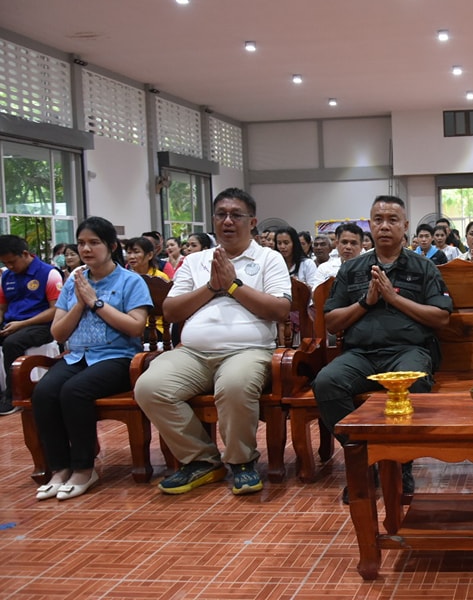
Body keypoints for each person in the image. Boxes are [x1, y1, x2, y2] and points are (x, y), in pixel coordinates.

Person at [135, 188, 291, 496]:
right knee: (149, 387)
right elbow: (170, 310)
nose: (228, 221)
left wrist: (232, 284)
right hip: (193, 353)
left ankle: (242, 462)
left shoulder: (268, 258)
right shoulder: (195, 261)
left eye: (236, 215)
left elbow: (279, 309)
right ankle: (202, 460)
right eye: (221, 215)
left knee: (234, 383)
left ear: (252, 221)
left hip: (249, 351)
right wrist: (211, 286)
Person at [312, 196, 452, 502]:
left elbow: (441, 316)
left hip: (408, 351)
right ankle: (363, 460)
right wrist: (366, 302)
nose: (385, 226)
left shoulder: (424, 267)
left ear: (405, 226)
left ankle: (401, 464)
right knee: (326, 382)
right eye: (378, 220)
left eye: (392, 220)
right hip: (360, 355)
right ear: (370, 226)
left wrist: (394, 298)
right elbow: (333, 322)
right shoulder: (353, 270)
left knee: (411, 382)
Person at [32, 217, 152, 500]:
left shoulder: (130, 281)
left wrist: (96, 303)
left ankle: (84, 468)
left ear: (111, 246)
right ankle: (60, 468)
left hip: (118, 359)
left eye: (94, 243)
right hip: (77, 357)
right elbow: (58, 330)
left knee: (75, 392)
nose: (86, 249)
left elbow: (135, 327)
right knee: (44, 392)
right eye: (82, 243)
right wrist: (79, 302)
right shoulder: (74, 281)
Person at [0, 235, 63, 415]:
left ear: (25, 254)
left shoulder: (49, 273)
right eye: (5, 263)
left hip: (41, 325)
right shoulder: (6, 276)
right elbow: (2, 307)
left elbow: (55, 310)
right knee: (10, 337)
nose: (10, 267)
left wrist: (22, 324)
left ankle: (13, 396)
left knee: (12, 343)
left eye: (12, 262)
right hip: (13, 323)